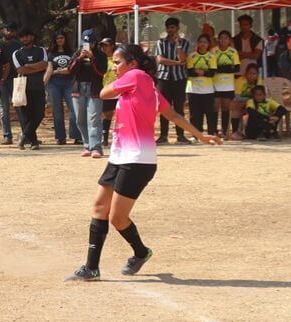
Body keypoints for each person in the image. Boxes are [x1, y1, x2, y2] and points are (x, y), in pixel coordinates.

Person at [68, 43, 221, 282]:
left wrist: (200, 136)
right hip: (119, 156)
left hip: (138, 160)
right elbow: (173, 114)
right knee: (99, 207)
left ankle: (141, 252)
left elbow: (104, 93)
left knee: (117, 217)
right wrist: (200, 135)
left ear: (133, 64)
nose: (114, 67)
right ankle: (91, 268)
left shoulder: (136, 77)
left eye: (118, 62)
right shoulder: (146, 85)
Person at [9, 28, 48, 150]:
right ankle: (34, 142)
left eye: (27, 36)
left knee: (40, 114)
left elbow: (44, 65)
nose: (24, 39)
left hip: (38, 86)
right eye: (22, 37)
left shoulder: (41, 50)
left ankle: (24, 135)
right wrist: (36, 67)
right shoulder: (17, 53)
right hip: (23, 88)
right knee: (27, 116)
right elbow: (20, 70)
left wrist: (29, 66)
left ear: (32, 37)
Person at [152, 18, 188, 144]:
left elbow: (183, 58)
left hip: (179, 79)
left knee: (179, 108)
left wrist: (178, 44)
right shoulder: (161, 42)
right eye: (169, 28)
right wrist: (177, 63)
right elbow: (160, 60)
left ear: (177, 28)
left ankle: (180, 135)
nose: (171, 30)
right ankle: (163, 136)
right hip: (164, 78)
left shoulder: (184, 43)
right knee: (164, 108)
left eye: (173, 27)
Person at [45, 30, 79, 146]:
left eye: (62, 38)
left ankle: (76, 136)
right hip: (54, 84)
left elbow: (71, 69)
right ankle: (60, 137)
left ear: (65, 39)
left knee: (74, 109)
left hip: (69, 83)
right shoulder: (51, 53)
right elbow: (49, 70)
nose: (60, 40)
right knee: (57, 110)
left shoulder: (72, 52)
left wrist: (58, 71)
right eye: (58, 38)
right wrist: (44, 83)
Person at [72, 30, 103, 156]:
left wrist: (92, 58)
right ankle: (87, 145)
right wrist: (79, 58)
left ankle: (96, 147)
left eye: (89, 43)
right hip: (78, 89)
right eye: (84, 43)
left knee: (94, 119)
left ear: (94, 43)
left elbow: (101, 71)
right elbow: (70, 70)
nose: (87, 46)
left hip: (94, 89)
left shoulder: (100, 55)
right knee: (80, 119)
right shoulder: (77, 53)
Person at [185, 33, 218, 135]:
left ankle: (211, 133)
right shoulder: (192, 56)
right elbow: (189, 72)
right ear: (198, 43)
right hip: (193, 90)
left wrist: (199, 71)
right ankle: (196, 134)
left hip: (208, 90)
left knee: (209, 113)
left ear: (208, 44)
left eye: (205, 42)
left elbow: (212, 73)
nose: (203, 44)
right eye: (201, 42)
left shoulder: (211, 56)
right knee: (195, 114)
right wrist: (204, 72)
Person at [0, 23, 20, 145]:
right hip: (1, 81)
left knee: (20, 107)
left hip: (16, 79)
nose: (9, 32)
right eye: (7, 30)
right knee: (4, 109)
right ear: (3, 30)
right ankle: (7, 136)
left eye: (12, 30)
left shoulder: (18, 45)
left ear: (15, 32)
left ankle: (26, 134)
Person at [213, 30, 241, 138]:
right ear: (218, 39)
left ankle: (225, 132)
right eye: (221, 38)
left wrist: (220, 68)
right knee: (215, 108)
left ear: (229, 40)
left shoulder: (233, 52)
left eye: (226, 38)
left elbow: (237, 68)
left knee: (225, 109)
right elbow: (212, 68)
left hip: (228, 85)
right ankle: (214, 131)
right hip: (215, 85)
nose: (223, 40)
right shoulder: (214, 51)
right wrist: (228, 68)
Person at [228, 63, 263, 138]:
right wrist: (249, 100)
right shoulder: (240, 81)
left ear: (257, 75)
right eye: (249, 73)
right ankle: (235, 132)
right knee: (237, 105)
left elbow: (261, 95)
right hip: (241, 102)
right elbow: (237, 97)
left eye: (254, 74)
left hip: (255, 102)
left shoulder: (259, 81)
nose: (251, 76)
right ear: (245, 74)